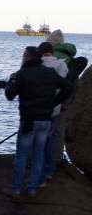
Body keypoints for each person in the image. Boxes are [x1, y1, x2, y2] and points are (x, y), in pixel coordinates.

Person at [4, 46, 72, 198]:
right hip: (45, 119)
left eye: (24, 56)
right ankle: (33, 187)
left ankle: (15, 188)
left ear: (27, 57)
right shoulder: (50, 73)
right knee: (39, 154)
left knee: (22, 155)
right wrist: (54, 103)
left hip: (28, 119)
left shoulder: (23, 74)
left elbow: (9, 95)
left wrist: (11, 79)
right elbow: (68, 87)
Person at [38, 41, 69, 183]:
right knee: (49, 139)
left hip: (36, 108)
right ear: (53, 51)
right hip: (54, 108)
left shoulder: (38, 64)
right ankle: (49, 170)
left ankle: (37, 170)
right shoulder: (62, 65)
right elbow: (65, 87)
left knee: (36, 140)